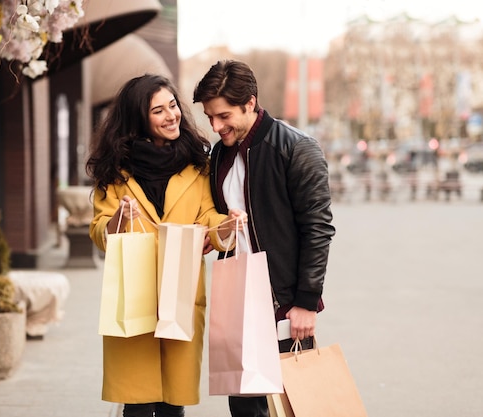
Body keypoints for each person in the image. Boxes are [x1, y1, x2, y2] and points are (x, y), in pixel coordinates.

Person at [86, 74, 246, 417]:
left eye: (172, 105)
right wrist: (117, 222)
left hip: (181, 292)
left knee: (173, 405)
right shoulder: (114, 172)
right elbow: (99, 229)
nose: (171, 115)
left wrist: (227, 226)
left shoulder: (197, 164)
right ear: (138, 120)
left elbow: (209, 217)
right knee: (138, 403)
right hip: (136, 295)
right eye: (158, 111)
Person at [193, 60, 336, 417]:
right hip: (237, 298)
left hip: (283, 300)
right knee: (244, 406)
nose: (215, 126)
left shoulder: (296, 148)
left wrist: (305, 301)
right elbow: (225, 218)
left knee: (294, 404)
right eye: (210, 117)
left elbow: (318, 228)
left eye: (223, 116)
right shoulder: (219, 154)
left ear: (250, 102)